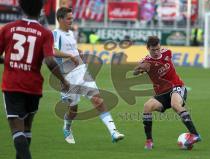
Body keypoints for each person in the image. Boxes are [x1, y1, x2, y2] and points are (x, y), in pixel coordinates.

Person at [0, 0, 69, 159]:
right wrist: (64, 81)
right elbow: (50, 61)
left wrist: (8, 60)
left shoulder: (8, 28)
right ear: (41, 10)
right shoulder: (45, 33)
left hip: (12, 85)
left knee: (17, 130)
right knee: (27, 128)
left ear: (21, 7)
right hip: (33, 86)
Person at [53, 7, 124, 144]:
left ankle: (114, 132)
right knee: (73, 110)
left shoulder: (70, 33)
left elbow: (71, 49)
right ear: (60, 19)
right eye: (68, 18)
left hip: (82, 71)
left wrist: (78, 52)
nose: (71, 20)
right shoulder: (56, 34)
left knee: (98, 100)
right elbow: (54, 51)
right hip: (68, 77)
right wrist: (69, 55)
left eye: (72, 18)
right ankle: (67, 127)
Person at [133, 36, 201, 150]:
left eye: (158, 49)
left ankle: (195, 134)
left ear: (160, 46)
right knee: (147, 106)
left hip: (176, 87)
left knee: (175, 105)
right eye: (153, 50)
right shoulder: (146, 62)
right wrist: (139, 69)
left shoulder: (167, 53)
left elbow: (161, 61)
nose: (156, 52)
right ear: (147, 48)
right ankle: (149, 141)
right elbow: (135, 71)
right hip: (161, 94)